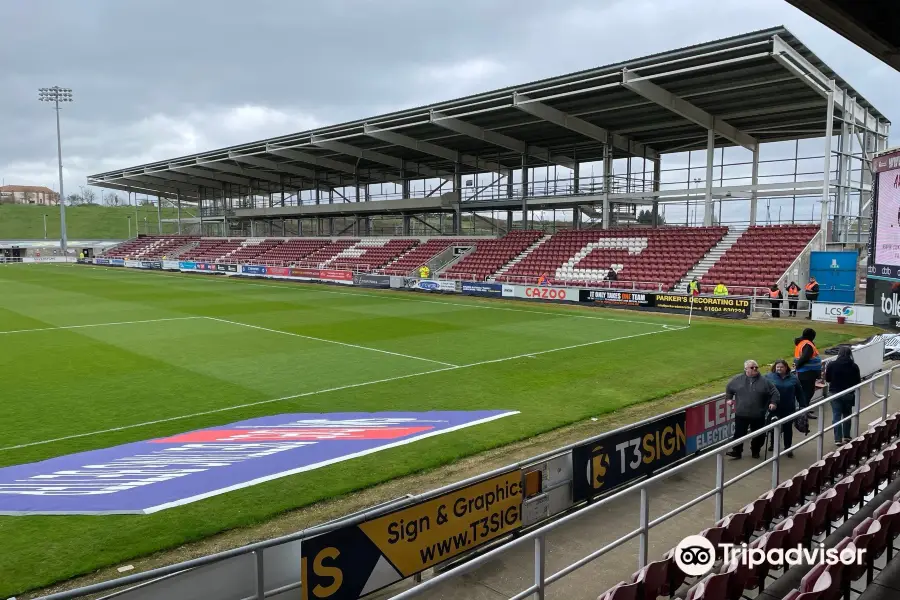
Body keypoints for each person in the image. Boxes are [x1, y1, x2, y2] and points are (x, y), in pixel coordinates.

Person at [725, 359, 780, 459]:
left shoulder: (764, 381)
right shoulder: (737, 380)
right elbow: (729, 388)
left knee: (759, 435)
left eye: (756, 367)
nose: (755, 369)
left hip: (758, 414)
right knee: (739, 434)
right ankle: (736, 451)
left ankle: (755, 451)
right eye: (752, 367)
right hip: (741, 413)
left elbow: (775, 393)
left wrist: (773, 402)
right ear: (746, 369)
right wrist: (729, 398)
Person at [765, 360, 805, 458]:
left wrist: (803, 405)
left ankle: (788, 447)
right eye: (777, 367)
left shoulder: (793, 378)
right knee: (774, 426)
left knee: (787, 428)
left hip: (788, 408)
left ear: (786, 368)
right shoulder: (769, 377)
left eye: (781, 367)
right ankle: (773, 444)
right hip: (775, 407)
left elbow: (799, 393)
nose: (779, 369)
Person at [824, 346, 862, 445]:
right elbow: (858, 381)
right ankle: (847, 436)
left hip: (834, 393)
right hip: (848, 393)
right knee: (847, 414)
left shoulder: (832, 364)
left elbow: (827, 379)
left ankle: (837, 439)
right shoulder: (854, 366)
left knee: (836, 415)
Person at [793, 327, 822, 418]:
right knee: (808, 392)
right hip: (807, 373)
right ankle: (804, 412)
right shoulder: (807, 344)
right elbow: (805, 357)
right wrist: (798, 365)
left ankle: (805, 409)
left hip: (805, 372)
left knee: (806, 392)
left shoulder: (802, 343)